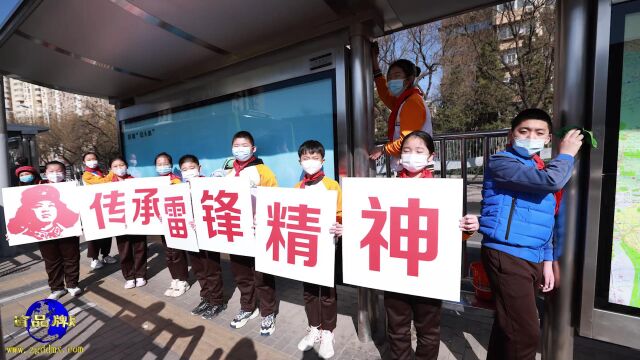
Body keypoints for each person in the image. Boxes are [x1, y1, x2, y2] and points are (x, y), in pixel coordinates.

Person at [479, 108, 583, 360]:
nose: (530, 136)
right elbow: (550, 182)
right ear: (511, 135)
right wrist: (567, 154)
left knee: (507, 327)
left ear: (548, 139)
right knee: (525, 335)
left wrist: (546, 259)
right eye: (523, 131)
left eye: (539, 132)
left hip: (531, 256)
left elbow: (545, 220)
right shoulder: (501, 162)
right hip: (506, 254)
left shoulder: (541, 167)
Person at [381, 131, 479, 360]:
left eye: (418, 151)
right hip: (394, 268)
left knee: (428, 329)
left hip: (429, 272)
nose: (411, 156)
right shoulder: (385, 190)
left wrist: (467, 228)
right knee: (397, 327)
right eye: (406, 151)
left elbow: (454, 235)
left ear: (430, 157)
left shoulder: (443, 191)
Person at [225, 131, 279, 336]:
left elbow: (274, 198)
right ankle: (248, 307)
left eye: (244, 145)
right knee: (241, 273)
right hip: (235, 231)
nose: (240, 149)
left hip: (258, 231)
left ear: (253, 148)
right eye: (236, 145)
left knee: (262, 274)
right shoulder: (228, 172)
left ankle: (268, 312)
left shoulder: (263, 171)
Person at [293, 140, 343, 359]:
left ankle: (328, 331)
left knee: (328, 294)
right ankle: (314, 327)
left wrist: (340, 226)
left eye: (314, 157)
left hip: (327, 247)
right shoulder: (297, 188)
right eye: (306, 158)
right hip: (306, 247)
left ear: (323, 161)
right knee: (309, 291)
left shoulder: (332, 186)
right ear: (299, 161)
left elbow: (341, 212)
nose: (310, 162)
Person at [11, 161, 81, 300]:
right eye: (51, 171)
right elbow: (21, 212)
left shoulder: (73, 187)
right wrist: (14, 232)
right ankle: (57, 288)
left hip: (68, 230)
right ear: (45, 173)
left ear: (64, 172)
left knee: (71, 257)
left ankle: (72, 284)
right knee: (51, 260)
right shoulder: (36, 188)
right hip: (43, 233)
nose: (55, 174)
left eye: (59, 171)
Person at [369, 44, 432, 172]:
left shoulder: (412, 102)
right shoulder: (403, 102)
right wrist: (375, 63)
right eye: (390, 77)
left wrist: (382, 149)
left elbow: (406, 141)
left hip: (417, 169)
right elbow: (384, 93)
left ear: (408, 80)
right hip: (408, 166)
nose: (391, 80)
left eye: (397, 75)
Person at [180, 154, 227, 320]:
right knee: (199, 269)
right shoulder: (180, 188)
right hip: (191, 236)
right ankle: (206, 298)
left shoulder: (209, 185)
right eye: (184, 170)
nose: (188, 172)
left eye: (191, 168)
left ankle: (217, 301)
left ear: (199, 168)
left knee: (211, 269)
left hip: (208, 234)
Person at [155, 152, 191, 297]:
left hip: (175, 222)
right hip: (161, 224)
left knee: (177, 252)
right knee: (168, 253)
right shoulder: (152, 182)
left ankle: (183, 280)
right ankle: (174, 278)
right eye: (159, 164)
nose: (162, 166)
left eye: (165, 163)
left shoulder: (176, 181)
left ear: (171, 165)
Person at [110, 156, 148, 289]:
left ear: (127, 166)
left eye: (122, 165)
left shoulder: (135, 181)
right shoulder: (106, 184)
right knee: (124, 250)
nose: (119, 168)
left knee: (139, 248)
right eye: (115, 166)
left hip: (136, 219)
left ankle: (140, 274)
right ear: (111, 169)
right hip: (119, 222)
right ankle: (129, 276)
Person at [81, 152, 117, 270]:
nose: (92, 161)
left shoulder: (99, 172)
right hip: (93, 208)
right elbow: (103, 183)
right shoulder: (87, 175)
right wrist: (113, 172)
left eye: (94, 158)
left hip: (104, 206)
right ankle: (94, 259)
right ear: (84, 162)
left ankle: (106, 255)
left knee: (107, 233)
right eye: (89, 159)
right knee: (95, 235)